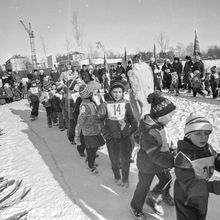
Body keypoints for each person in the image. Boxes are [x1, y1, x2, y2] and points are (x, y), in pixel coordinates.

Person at [130, 91, 176, 219]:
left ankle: (160, 195)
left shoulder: (160, 125)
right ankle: (135, 206)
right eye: (170, 115)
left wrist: (171, 148)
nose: (172, 118)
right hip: (148, 164)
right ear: (160, 116)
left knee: (167, 179)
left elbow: (163, 141)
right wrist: (172, 161)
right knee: (143, 187)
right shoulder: (149, 131)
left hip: (161, 160)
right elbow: (155, 154)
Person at [174, 113, 220, 220]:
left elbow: (215, 161)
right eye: (198, 133)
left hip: (202, 194)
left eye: (207, 133)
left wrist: (217, 158)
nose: (204, 137)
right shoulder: (183, 156)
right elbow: (189, 184)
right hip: (186, 198)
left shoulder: (207, 149)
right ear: (188, 135)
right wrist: (214, 187)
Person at [97, 80, 138, 187]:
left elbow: (132, 118)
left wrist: (132, 129)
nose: (117, 94)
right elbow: (98, 120)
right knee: (114, 160)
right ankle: (117, 176)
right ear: (110, 92)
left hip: (125, 137)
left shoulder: (126, 103)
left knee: (125, 160)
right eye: (115, 92)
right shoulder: (105, 105)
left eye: (120, 92)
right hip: (112, 138)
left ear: (123, 92)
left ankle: (125, 178)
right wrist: (105, 133)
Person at [74, 84, 105, 174]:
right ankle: (91, 165)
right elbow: (80, 121)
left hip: (95, 130)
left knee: (95, 147)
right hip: (88, 131)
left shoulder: (91, 102)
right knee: (91, 149)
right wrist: (77, 135)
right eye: (92, 92)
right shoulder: (84, 106)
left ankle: (90, 159)